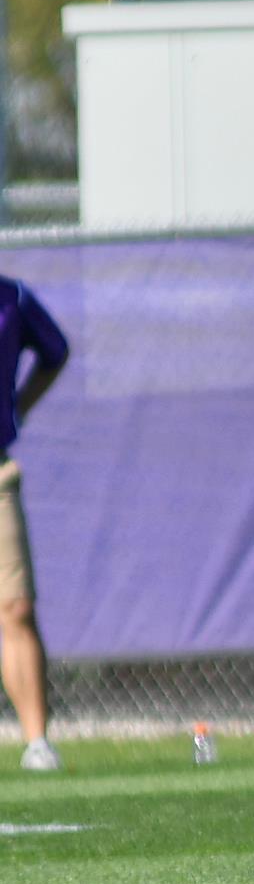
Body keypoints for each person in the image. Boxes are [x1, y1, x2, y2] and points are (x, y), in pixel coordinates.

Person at [0, 277, 69, 772]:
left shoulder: (13, 297)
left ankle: (36, 743)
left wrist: (15, 409)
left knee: (16, 606)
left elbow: (55, 352)